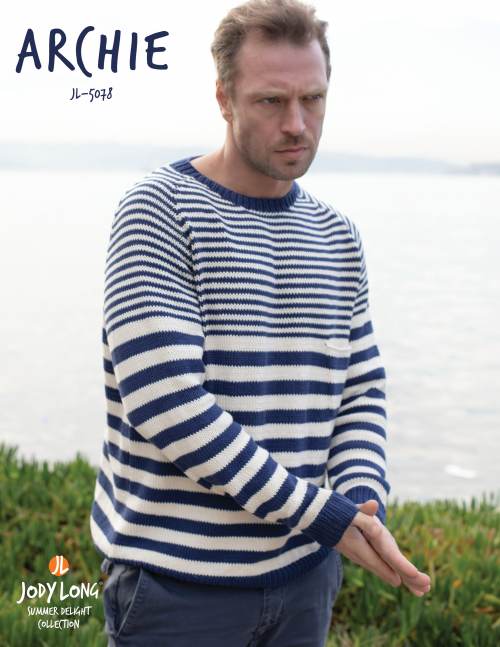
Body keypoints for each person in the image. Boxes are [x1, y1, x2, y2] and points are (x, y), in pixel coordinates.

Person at [90, 0, 431, 645]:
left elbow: (359, 388)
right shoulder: (159, 210)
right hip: (178, 589)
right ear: (224, 98)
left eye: (313, 99)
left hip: (307, 579)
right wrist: (324, 515)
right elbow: (169, 407)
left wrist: (360, 500)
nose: (297, 124)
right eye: (272, 101)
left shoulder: (337, 235)